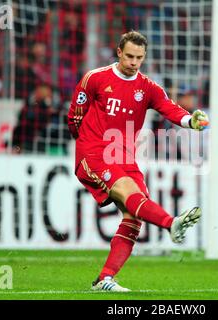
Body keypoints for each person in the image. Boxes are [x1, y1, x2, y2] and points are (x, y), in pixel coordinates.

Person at [67, 30, 209, 292]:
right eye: (130, 56)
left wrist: (191, 121)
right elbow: (74, 117)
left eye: (139, 58)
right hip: (95, 153)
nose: (134, 62)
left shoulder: (147, 87)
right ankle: (170, 223)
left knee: (134, 216)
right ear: (119, 52)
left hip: (125, 157)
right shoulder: (95, 78)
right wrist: (85, 145)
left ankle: (105, 279)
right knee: (130, 193)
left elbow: (169, 108)